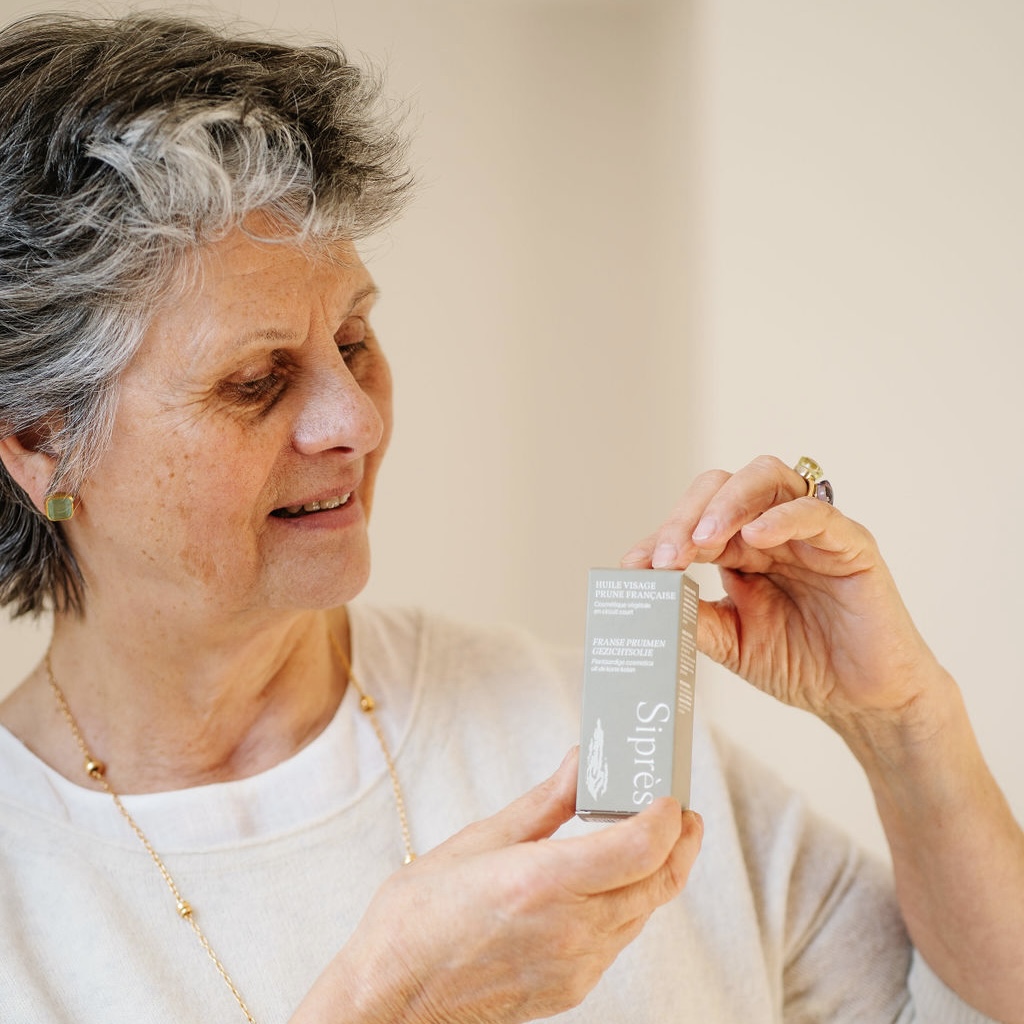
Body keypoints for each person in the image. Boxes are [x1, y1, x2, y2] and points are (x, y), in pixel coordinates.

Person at [0, 12, 1020, 1024]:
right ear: (39, 444)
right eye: (256, 380)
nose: (354, 418)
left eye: (353, 339)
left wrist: (903, 724)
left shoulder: (583, 731)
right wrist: (388, 1006)